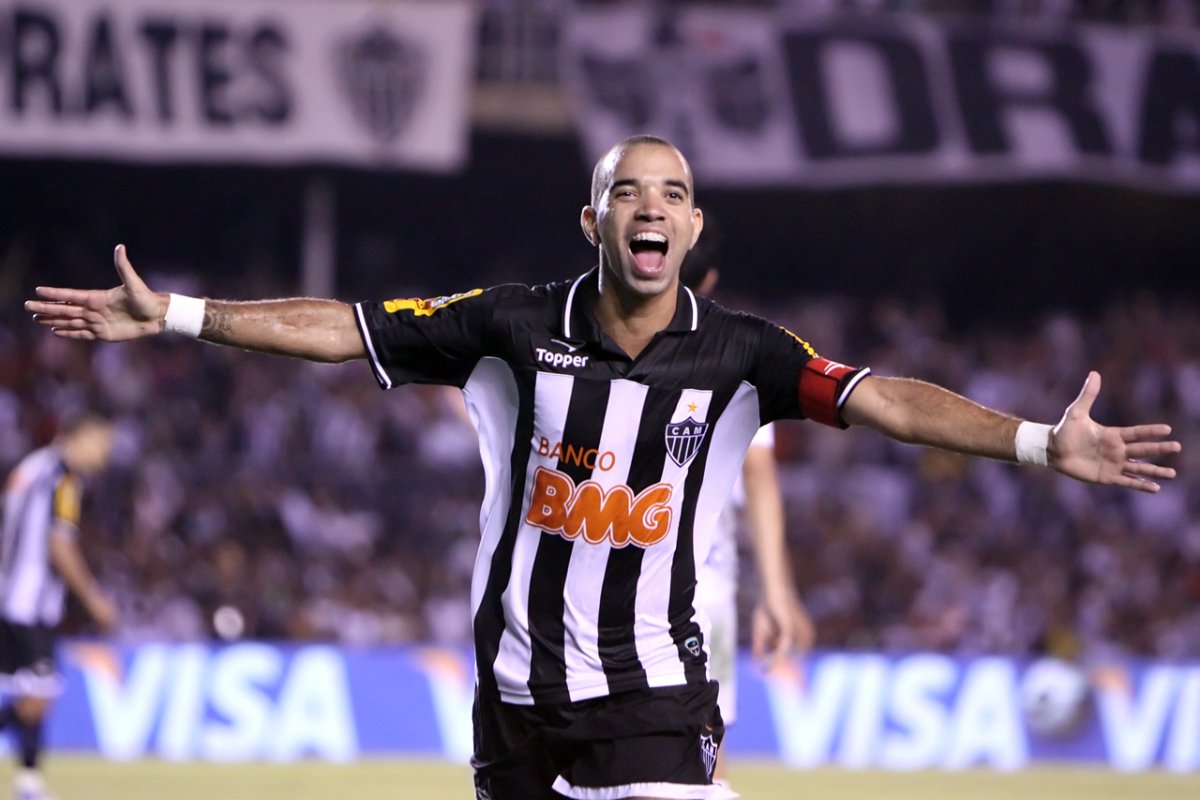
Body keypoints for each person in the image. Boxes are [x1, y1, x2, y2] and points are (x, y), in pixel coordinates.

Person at [24, 135, 1180, 800]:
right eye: (630, 189)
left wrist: (1040, 440)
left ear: (692, 229)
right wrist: (177, 313)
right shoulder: (509, 323)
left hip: (657, 692)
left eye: (673, 193)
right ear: (594, 221)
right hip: (517, 703)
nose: (652, 206)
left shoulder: (746, 353)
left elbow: (885, 399)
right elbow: (345, 326)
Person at [679, 228, 813, 789]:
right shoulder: (737, 356)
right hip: (701, 586)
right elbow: (759, 475)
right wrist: (775, 593)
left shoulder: (595, 344)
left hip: (603, 575)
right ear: (710, 279)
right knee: (703, 761)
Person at [0, 414, 119, 800]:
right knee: (41, 692)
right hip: (28, 605)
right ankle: (29, 783)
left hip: (9, 594)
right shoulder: (65, 480)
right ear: (80, 438)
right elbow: (60, 545)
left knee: (32, 690)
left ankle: (29, 781)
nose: (105, 456)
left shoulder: (30, 466)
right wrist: (94, 598)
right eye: (101, 445)